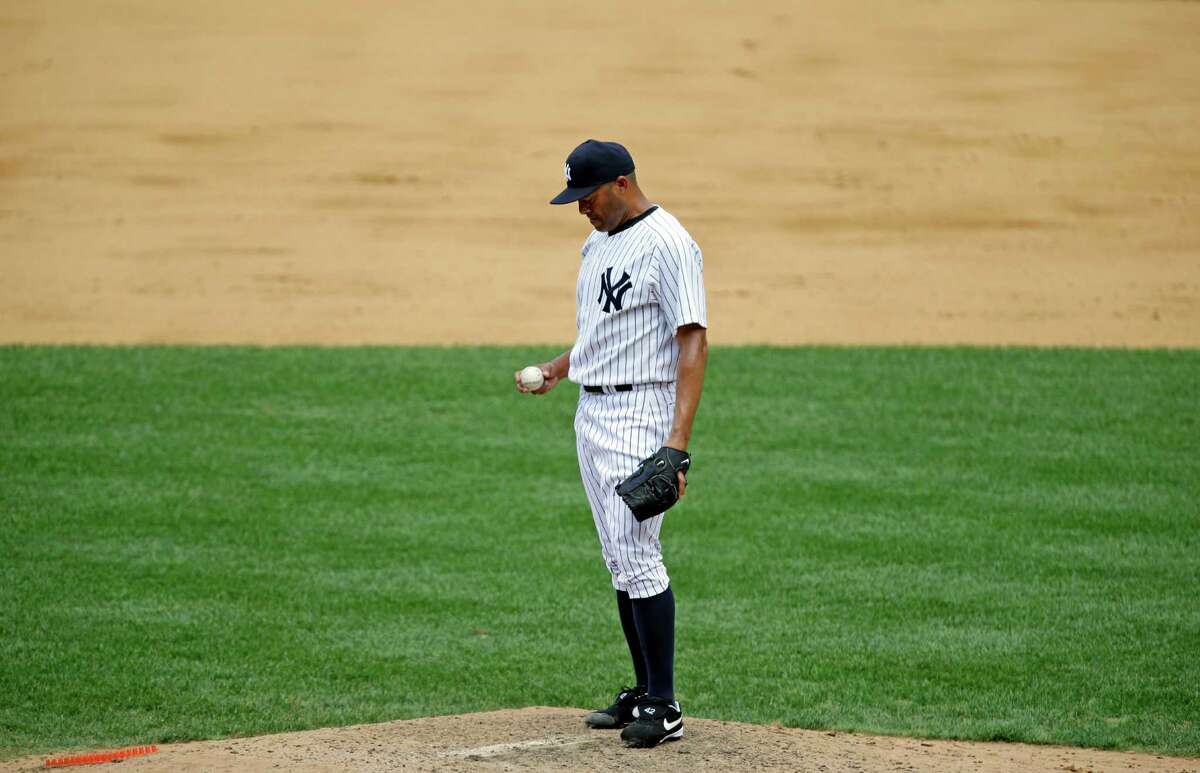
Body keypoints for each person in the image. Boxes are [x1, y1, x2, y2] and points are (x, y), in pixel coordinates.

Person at [514, 139, 708, 748]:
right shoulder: (597, 241)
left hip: (640, 413)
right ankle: (644, 688)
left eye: (588, 196)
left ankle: (666, 704)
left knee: (640, 556)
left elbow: (693, 342)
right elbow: (602, 333)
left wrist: (676, 444)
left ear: (622, 183)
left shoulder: (671, 244)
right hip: (591, 411)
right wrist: (558, 367)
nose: (581, 208)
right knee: (619, 559)